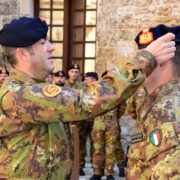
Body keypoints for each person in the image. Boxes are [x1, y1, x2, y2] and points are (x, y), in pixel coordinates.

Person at [0, 17, 175, 179]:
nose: (51, 47)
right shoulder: (20, 94)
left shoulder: (33, 90)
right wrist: (146, 59)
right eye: (43, 43)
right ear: (22, 54)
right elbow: (86, 100)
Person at [126, 24, 180, 180]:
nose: (137, 63)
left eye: (145, 58)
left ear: (161, 62)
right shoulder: (162, 102)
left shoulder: (166, 112)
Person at [90, 71, 126, 180]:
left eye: (110, 79)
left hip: (112, 124)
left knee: (111, 149)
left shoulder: (118, 92)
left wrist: (114, 118)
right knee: (98, 149)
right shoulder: (95, 91)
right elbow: (89, 106)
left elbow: (122, 107)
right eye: (106, 79)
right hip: (98, 123)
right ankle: (97, 172)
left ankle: (109, 172)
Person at [78, 72, 99, 175]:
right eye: (84, 80)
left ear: (94, 81)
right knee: (80, 144)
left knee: (96, 145)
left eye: (87, 80)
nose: (84, 81)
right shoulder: (82, 91)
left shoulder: (100, 92)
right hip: (82, 122)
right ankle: (80, 166)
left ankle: (96, 168)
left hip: (95, 122)